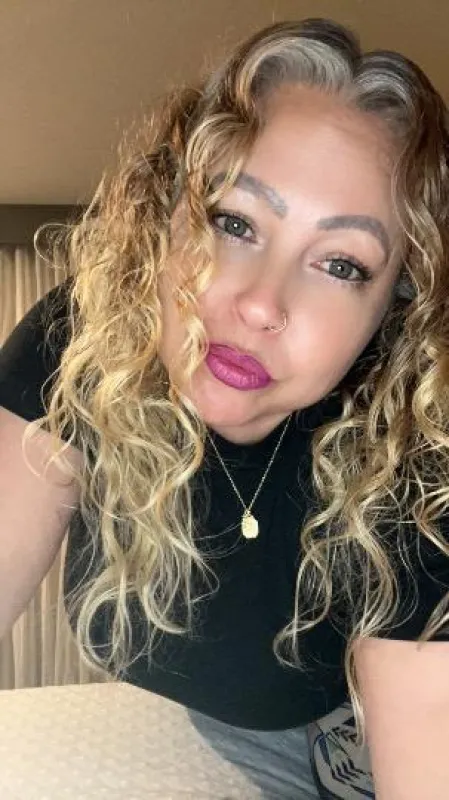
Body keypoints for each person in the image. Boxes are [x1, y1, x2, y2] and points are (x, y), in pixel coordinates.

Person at [1, 16, 449, 799]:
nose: (260, 304)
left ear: (392, 310)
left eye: (341, 264)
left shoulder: (411, 466)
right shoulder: (79, 342)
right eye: (234, 222)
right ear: (169, 217)